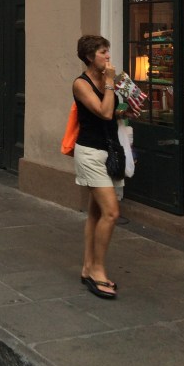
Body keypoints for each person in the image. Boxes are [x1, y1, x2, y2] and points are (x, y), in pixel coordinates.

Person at [72, 34, 138, 300]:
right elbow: (103, 112)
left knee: (96, 214)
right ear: (90, 57)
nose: (108, 57)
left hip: (111, 151)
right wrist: (110, 83)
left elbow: (115, 113)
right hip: (90, 153)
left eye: (108, 51)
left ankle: (87, 267)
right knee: (111, 213)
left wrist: (128, 107)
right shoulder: (81, 83)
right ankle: (98, 269)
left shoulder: (111, 80)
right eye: (103, 52)